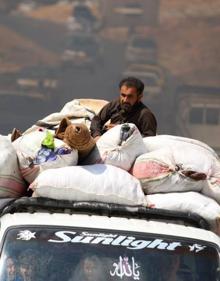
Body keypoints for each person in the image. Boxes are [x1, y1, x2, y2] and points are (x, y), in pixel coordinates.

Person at [90, 77, 157, 141]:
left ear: (139, 97)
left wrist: (121, 131)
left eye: (130, 96)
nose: (125, 100)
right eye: (123, 95)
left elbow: (149, 140)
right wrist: (97, 135)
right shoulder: (115, 105)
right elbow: (97, 120)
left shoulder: (145, 115)